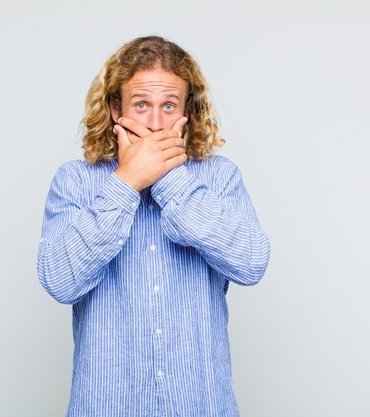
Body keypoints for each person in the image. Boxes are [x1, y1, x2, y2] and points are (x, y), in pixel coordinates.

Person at [37, 35, 270, 417]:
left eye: (169, 106)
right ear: (115, 109)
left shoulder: (219, 177)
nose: (156, 123)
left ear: (188, 110)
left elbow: (251, 263)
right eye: (141, 105)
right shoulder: (75, 181)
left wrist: (169, 179)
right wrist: (128, 181)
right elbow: (60, 281)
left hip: (201, 405)